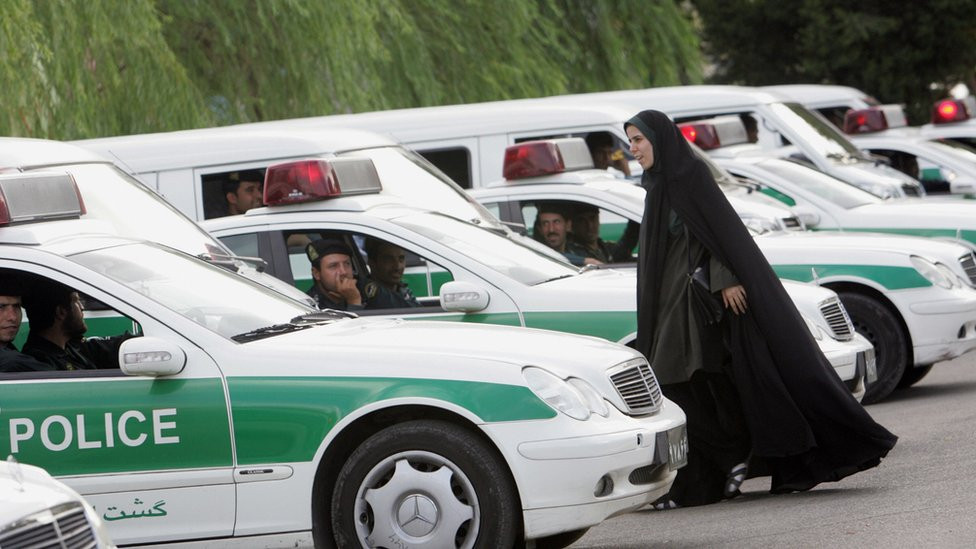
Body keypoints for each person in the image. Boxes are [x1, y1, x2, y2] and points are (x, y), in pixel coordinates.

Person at [625, 110, 896, 508]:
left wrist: (726, 277)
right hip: (667, 304)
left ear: (659, 140)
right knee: (696, 386)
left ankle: (729, 457)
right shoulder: (657, 184)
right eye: (630, 141)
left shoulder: (690, 176)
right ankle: (712, 474)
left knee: (681, 382)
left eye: (638, 140)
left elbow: (722, 230)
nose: (632, 150)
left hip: (691, 306)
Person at [21, 281, 131, 371]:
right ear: (61, 312)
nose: (82, 307)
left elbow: (110, 347)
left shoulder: (71, 347)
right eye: (76, 301)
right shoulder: (41, 363)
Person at [0, 277, 48, 373]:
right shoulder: (10, 362)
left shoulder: (11, 352)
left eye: (17, 306)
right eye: (1, 307)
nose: (12, 317)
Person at [569, 203, 640, 264]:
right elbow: (560, 257)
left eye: (592, 218)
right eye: (582, 221)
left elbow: (630, 239)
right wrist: (583, 261)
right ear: (572, 225)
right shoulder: (571, 251)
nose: (589, 226)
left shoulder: (606, 248)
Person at [533, 202, 599, 267]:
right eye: (545, 224)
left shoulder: (580, 252)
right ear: (540, 229)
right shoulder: (533, 252)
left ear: (568, 226)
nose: (551, 229)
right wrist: (584, 261)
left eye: (556, 222)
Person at [306, 238, 364, 311]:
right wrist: (354, 301)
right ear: (316, 273)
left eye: (347, 264)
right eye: (333, 266)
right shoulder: (309, 306)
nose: (343, 272)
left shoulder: (367, 291)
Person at [362, 238, 420, 309]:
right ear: (372, 263)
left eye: (401, 258)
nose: (397, 267)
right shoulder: (372, 292)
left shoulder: (401, 289)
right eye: (389, 259)